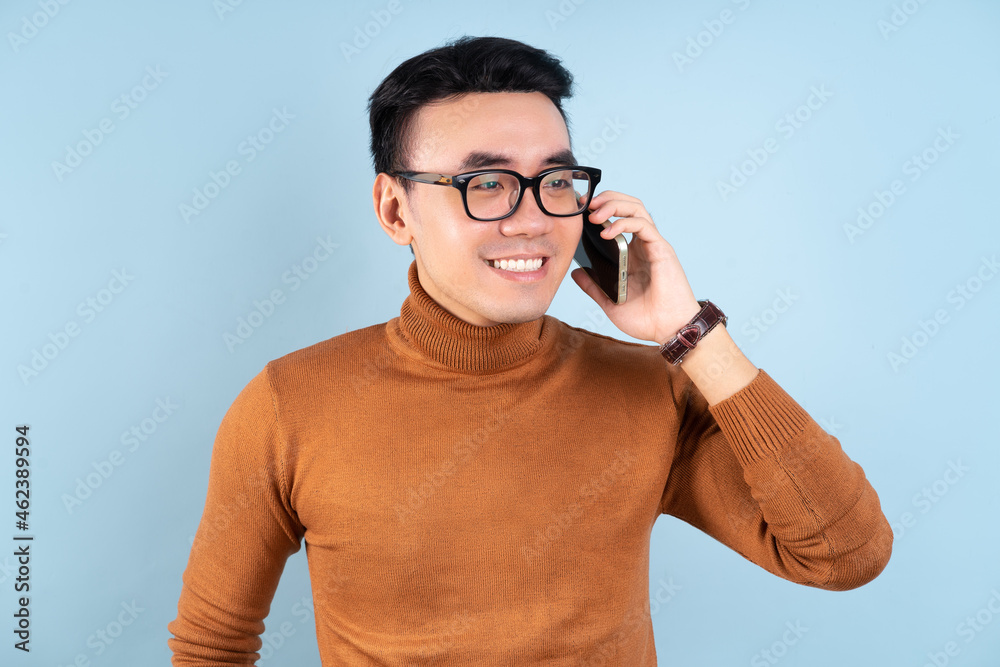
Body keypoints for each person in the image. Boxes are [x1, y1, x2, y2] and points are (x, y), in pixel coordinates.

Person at [168, 35, 892, 665]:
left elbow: (845, 554)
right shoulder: (289, 404)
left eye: (555, 181)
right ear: (396, 209)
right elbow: (212, 647)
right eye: (486, 183)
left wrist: (691, 332)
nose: (533, 219)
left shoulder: (651, 390)